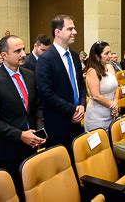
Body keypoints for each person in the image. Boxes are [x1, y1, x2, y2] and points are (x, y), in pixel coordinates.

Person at [0, 35, 45, 198]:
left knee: (30, 190)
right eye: (17, 51)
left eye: (23, 49)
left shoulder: (29, 75)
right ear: (4, 55)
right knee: (12, 192)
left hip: (31, 144)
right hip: (8, 149)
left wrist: (39, 129)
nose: (23, 54)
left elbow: (37, 106)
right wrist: (21, 135)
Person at [36, 14, 86, 150]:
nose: (75, 32)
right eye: (70, 29)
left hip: (77, 119)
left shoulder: (75, 56)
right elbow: (46, 93)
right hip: (58, 122)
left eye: (74, 29)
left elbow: (81, 84)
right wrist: (72, 110)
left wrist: (82, 105)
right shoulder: (45, 59)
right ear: (57, 32)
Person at [84, 41, 119, 132]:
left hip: (111, 113)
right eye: (106, 53)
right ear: (97, 56)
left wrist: (115, 101)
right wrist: (112, 105)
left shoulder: (110, 67)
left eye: (110, 52)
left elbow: (116, 87)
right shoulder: (92, 71)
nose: (110, 56)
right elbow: (96, 96)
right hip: (97, 117)